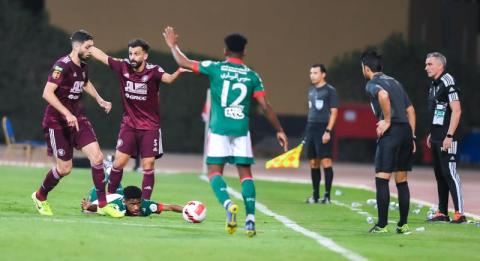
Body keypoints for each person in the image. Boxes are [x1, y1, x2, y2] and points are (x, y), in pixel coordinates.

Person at [163, 26, 288, 237]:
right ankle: (250, 219)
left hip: (220, 129)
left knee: (214, 172)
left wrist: (173, 45)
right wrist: (279, 130)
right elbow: (265, 106)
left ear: (225, 51)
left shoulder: (216, 68)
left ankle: (229, 205)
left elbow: (183, 62)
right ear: (244, 52)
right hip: (241, 130)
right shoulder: (252, 75)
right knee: (246, 175)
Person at [31, 30, 124, 218]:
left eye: (92, 46)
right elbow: (47, 93)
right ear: (76, 46)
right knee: (65, 169)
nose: (91, 50)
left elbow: (85, 83)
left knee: (97, 158)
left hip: (78, 119)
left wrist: (100, 99)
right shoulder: (61, 66)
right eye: (88, 47)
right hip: (56, 122)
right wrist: (66, 113)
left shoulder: (83, 66)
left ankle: (102, 204)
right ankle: (40, 196)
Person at [89, 39, 187, 201]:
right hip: (129, 125)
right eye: (130, 54)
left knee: (148, 165)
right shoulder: (123, 66)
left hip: (150, 127)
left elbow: (168, 79)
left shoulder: (154, 71)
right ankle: (110, 198)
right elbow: (103, 57)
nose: (132, 57)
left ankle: (145, 203)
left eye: (136, 54)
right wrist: (89, 47)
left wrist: (178, 72)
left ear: (145, 55)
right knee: (119, 163)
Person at [360, 50, 416, 234]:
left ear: (366, 68)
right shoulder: (396, 82)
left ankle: (382, 225)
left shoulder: (372, 84)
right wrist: (412, 136)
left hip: (392, 133)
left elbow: (383, 95)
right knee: (402, 180)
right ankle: (403, 224)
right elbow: (411, 110)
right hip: (406, 132)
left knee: (382, 180)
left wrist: (388, 120)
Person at [425, 52, 466, 223]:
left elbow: (456, 111)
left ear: (440, 66)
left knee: (450, 173)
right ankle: (442, 212)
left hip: (447, 137)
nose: (426, 67)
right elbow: (438, 112)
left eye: (430, 64)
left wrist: (449, 135)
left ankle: (460, 213)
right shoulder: (434, 84)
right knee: (440, 175)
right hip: (436, 136)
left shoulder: (448, 81)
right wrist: (431, 133)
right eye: (426, 64)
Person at [304, 64, 338, 204]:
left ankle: (327, 196)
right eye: (311, 72)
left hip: (323, 128)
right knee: (313, 162)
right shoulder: (311, 91)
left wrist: (328, 131)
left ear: (323, 74)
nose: (312, 75)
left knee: (326, 161)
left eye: (315, 73)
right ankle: (315, 195)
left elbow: (334, 112)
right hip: (311, 128)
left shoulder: (330, 91)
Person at [82, 185, 183, 217]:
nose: (136, 207)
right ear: (125, 202)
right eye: (132, 204)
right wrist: (89, 206)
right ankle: (109, 169)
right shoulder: (118, 206)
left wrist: (186, 209)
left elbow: (170, 207)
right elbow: (100, 208)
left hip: (119, 195)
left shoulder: (146, 205)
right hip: (108, 199)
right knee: (96, 189)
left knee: (117, 186)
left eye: (138, 203)